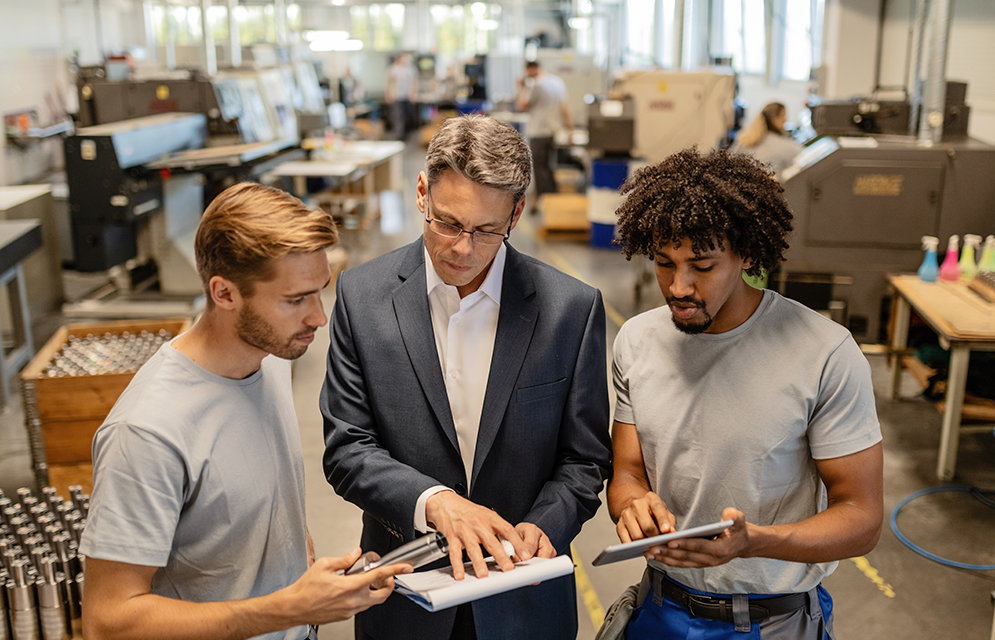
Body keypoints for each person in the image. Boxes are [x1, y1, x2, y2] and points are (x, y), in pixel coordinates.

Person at [321, 114, 612, 640]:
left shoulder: (571, 309)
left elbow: (585, 459)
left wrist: (545, 524)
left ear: (517, 213)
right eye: (448, 223)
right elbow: (346, 448)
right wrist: (434, 503)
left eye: (485, 231)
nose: (461, 248)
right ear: (421, 194)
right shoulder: (361, 298)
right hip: (406, 598)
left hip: (522, 601)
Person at [80, 183, 411, 640]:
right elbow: (108, 620)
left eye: (320, 291)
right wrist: (283, 610)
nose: (319, 316)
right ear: (224, 293)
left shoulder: (269, 359)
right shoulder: (148, 431)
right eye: (295, 299)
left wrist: (308, 578)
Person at [607, 148, 883, 639]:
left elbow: (861, 518)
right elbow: (627, 472)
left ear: (747, 254)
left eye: (702, 265)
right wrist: (631, 506)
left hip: (771, 621)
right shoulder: (636, 341)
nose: (679, 286)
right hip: (661, 608)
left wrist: (753, 542)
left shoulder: (823, 353)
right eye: (664, 264)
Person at [515, 60, 573, 210]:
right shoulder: (557, 82)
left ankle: (545, 204)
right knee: (549, 167)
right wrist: (570, 130)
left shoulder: (536, 85)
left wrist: (520, 88)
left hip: (538, 133)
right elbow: (565, 108)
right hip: (553, 133)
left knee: (540, 170)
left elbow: (521, 106)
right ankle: (553, 200)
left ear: (531, 69)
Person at [730, 102, 803, 175]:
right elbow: (803, 155)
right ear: (775, 120)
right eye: (784, 117)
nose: (785, 121)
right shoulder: (779, 143)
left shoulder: (744, 138)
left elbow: (729, 160)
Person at [386, 52, 419, 141]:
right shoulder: (394, 69)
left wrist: (414, 93)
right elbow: (390, 82)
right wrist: (388, 94)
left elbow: (414, 82)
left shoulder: (411, 69)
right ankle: (399, 135)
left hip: (408, 96)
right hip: (397, 96)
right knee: (398, 116)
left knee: (408, 116)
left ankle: (407, 133)